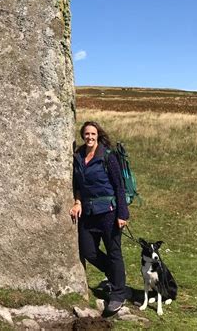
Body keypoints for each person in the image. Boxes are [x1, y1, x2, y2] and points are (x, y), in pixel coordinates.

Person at [70, 121, 129, 314]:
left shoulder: (108, 156)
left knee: (114, 252)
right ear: (83, 135)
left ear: (98, 135)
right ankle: (115, 276)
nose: (90, 137)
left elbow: (119, 186)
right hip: (88, 211)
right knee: (88, 250)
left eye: (93, 134)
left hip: (109, 212)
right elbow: (78, 185)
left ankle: (118, 294)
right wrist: (78, 202)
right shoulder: (78, 156)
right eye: (86, 134)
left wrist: (122, 214)